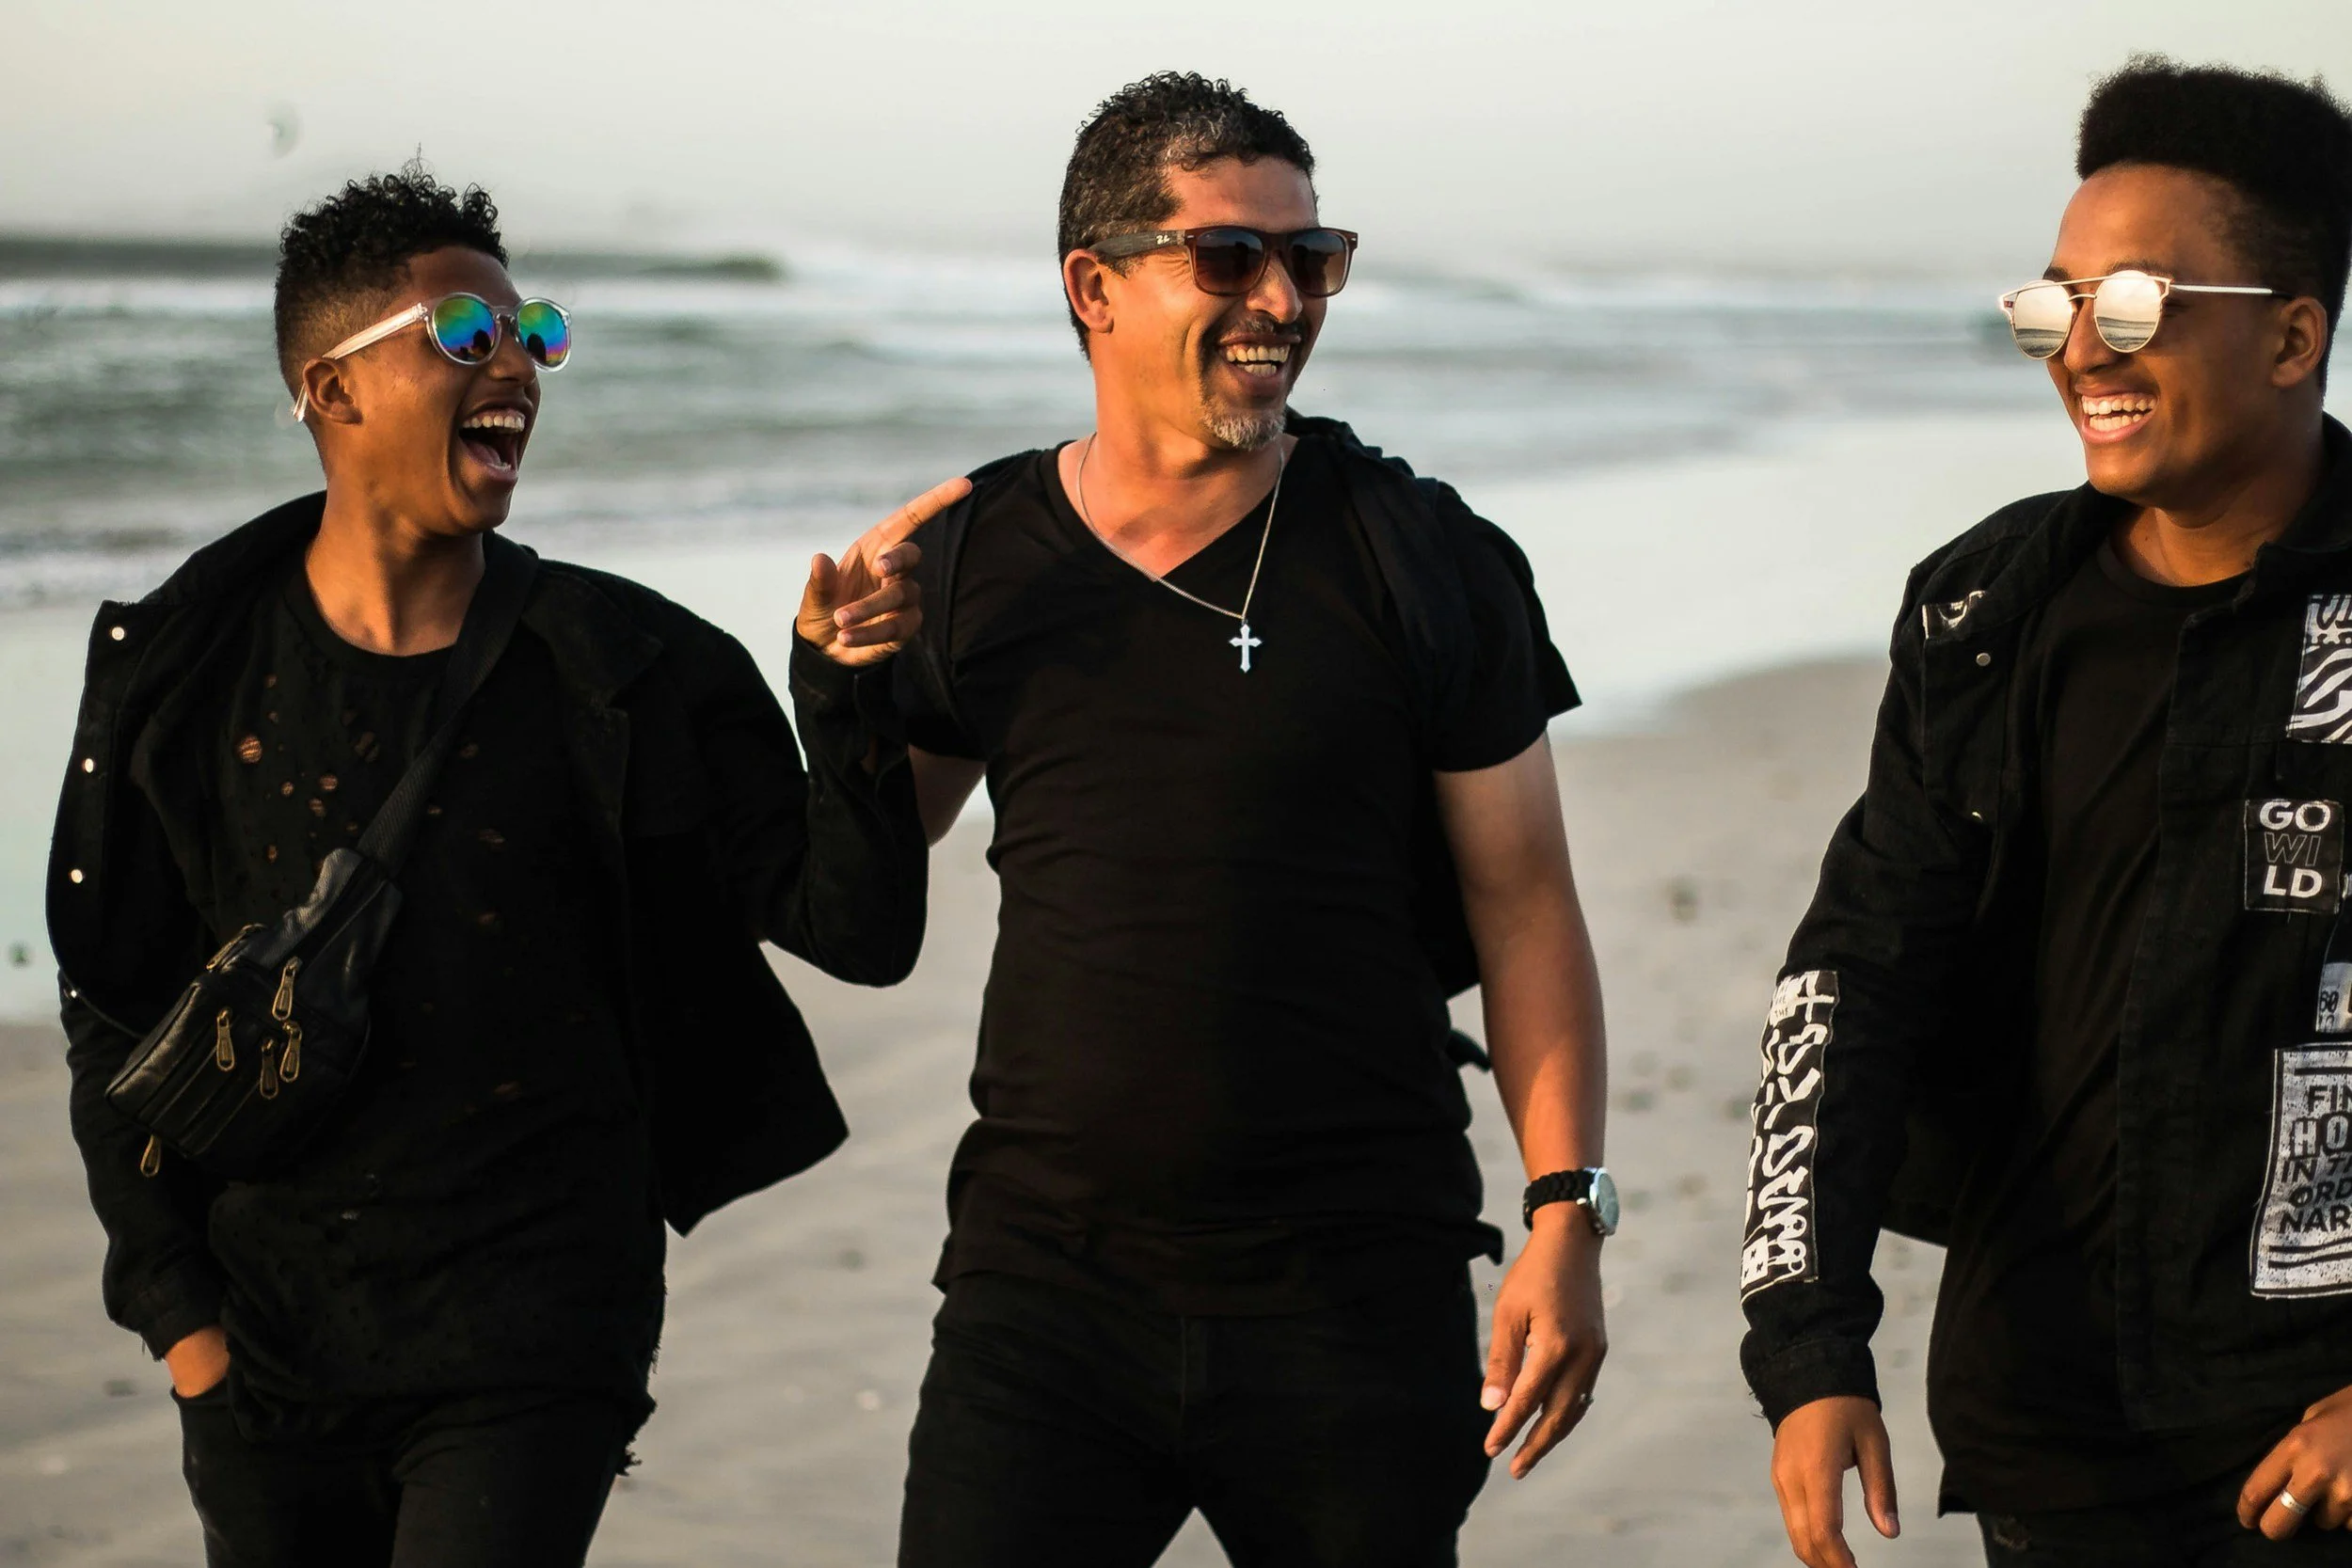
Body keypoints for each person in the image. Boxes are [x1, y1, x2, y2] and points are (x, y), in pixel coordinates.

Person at [49, 164, 955, 1568]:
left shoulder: (629, 669)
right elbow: (113, 1009)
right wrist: (187, 1336)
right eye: (467, 335)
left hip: (539, 1334)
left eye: (534, 332)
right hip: (269, 1345)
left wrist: (843, 695)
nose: (518, 367)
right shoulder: (188, 674)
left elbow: (861, 927)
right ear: (332, 390)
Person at [889, 73, 1611, 1567]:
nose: (1281, 300)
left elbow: (1525, 901)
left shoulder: (1423, 555)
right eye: (1229, 257)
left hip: (1354, 1291)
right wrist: (837, 685)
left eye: (1311, 257)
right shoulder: (977, 561)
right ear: (1094, 287)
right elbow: (859, 880)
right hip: (1044, 1295)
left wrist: (1566, 1213)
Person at [1741, 57, 2352, 1568]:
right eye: (2054, 305)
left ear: (2292, 336)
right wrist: (1808, 1340)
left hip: (2314, 1437)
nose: (2081, 351)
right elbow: (1857, 969)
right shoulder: (1985, 613)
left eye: (2134, 304)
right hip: (2048, 1433)